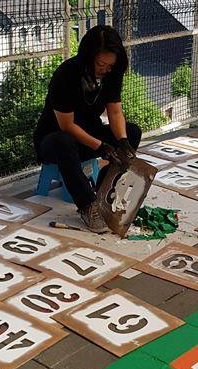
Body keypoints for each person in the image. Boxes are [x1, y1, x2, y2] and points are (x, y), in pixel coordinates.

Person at [34, 25, 142, 232]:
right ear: (88, 56)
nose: (105, 70)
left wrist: (122, 141)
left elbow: (115, 112)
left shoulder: (112, 73)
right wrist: (100, 146)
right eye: (101, 64)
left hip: (89, 134)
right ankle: (87, 205)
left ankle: (104, 190)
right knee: (63, 141)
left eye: (110, 66)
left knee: (132, 131)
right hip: (54, 140)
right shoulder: (66, 74)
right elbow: (67, 126)